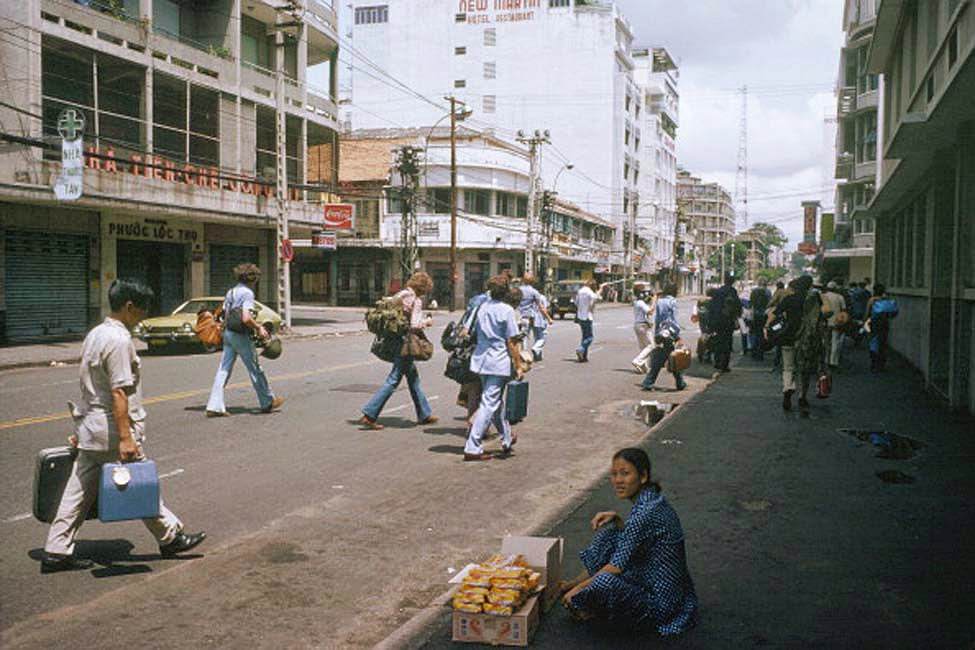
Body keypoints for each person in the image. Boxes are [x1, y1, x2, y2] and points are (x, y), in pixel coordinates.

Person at [42, 280, 206, 572]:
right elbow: (119, 392)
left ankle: (56, 549)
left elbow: (91, 384)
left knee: (78, 490)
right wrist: (126, 437)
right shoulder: (119, 341)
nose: (142, 317)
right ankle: (170, 537)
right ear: (129, 307)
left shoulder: (96, 333)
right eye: (141, 311)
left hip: (92, 425)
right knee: (139, 481)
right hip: (111, 429)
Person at [559, 448, 697, 635]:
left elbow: (616, 567)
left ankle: (582, 602)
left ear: (643, 476)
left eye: (625, 474)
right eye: (614, 474)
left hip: (662, 605)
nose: (617, 481)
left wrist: (579, 590)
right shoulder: (653, 501)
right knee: (610, 535)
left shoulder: (644, 513)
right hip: (669, 589)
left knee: (605, 581)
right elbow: (637, 539)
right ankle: (571, 585)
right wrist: (618, 520)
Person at [359, 272, 439, 430]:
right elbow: (414, 325)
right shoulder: (415, 300)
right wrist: (427, 322)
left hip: (394, 340)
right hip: (406, 344)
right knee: (394, 379)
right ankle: (370, 413)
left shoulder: (400, 295)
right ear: (423, 288)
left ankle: (424, 413)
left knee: (413, 378)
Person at [205, 264, 283, 417]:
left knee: (223, 369)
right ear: (252, 278)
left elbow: (226, 314)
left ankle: (214, 406)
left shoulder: (231, 292)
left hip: (228, 333)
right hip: (240, 335)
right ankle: (267, 401)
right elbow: (246, 318)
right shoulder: (247, 293)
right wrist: (259, 327)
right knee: (255, 368)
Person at [463, 275, 526, 461]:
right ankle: (472, 446)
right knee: (489, 403)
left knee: (495, 403)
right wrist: (518, 365)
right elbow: (512, 341)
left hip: (481, 360)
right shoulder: (506, 310)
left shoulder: (482, 308)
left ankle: (506, 438)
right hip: (498, 361)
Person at [767, 276, 813, 412]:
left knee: (788, 367)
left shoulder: (789, 299)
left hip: (788, 336)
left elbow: (774, 314)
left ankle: (788, 388)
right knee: (805, 368)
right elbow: (827, 312)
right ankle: (802, 396)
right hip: (807, 338)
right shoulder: (813, 299)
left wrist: (767, 327)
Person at [642, 283, 687, 392]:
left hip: (661, 332)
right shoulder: (672, 301)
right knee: (670, 357)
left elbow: (658, 319)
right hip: (669, 332)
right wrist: (677, 335)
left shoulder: (660, 301)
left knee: (664, 355)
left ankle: (679, 382)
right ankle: (679, 382)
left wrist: (657, 332)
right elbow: (673, 319)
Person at [708, 274, 741, 372]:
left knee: (719, 340)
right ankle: (724, 364)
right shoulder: (732, 291)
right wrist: (737, 317)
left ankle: (717, 362)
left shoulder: (718, 291)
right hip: (728, 320)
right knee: (727, 342)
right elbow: (737, 305)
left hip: (718, 320)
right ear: (732, 282)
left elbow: (712, 307)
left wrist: (710, 322)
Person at [518, 273, 553, 362]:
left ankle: (523, 354)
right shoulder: (534, 292)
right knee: (528, 335)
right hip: (527, 317)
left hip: (517, 316)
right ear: (533, 281)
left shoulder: (517, 290)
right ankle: (526, 355)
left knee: (522, 338)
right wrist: (548, 318)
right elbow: (541, 307)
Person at [864, 283, 898, 373]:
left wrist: (864, 322)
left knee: (873, 343)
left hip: (873, 323)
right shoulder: (886, 300)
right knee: (883, 343)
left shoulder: (872, 300)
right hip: (884, 323)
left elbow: (867, 313)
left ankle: (874, 364)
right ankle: (881, 364)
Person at [575, 279, 608, 362]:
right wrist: (601, 288)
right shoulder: (588, 291)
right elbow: (596, 297)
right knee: (590, 337)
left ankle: (583, 357)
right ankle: (581, 349)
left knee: (584, 337)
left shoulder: (580, 291)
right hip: (587, 316)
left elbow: (576, 302)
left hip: (580, 316)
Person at [821, 281, 847, 369]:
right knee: (835, 341)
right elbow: (844, 310)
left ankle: (825, 359)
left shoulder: (822, 296)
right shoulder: (840, 297)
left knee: (825, 341)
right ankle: (833, 361)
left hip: (824, 322)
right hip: (836, 322)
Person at [630, 287, 655, 373]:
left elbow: (646, 305)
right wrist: (654, 300)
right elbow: (650, 312)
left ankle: (644, 367)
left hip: (638, 325)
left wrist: (650, 299)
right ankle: (637, 360)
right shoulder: (640, 302)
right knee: (651, 346)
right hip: (643, 326)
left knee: (643, 347)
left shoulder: (637, 302)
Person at [748, 279, 771, 360]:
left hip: (755, 315)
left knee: (754, 333)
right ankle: (760, 352)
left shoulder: (753, 291)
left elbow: (750, 303)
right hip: (764, 315)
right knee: (762, 334)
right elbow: (770, 303)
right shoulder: (768, 292)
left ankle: (754, 351)